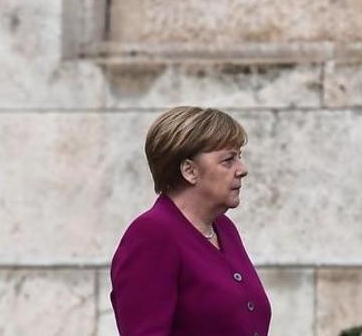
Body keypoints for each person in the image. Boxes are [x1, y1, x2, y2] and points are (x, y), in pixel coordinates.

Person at [110, 106, 271, 335]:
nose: (242, 169)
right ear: (189, 171)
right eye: (228, 160)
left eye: (240, 157)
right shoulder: (152, 235)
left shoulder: (224, 229)